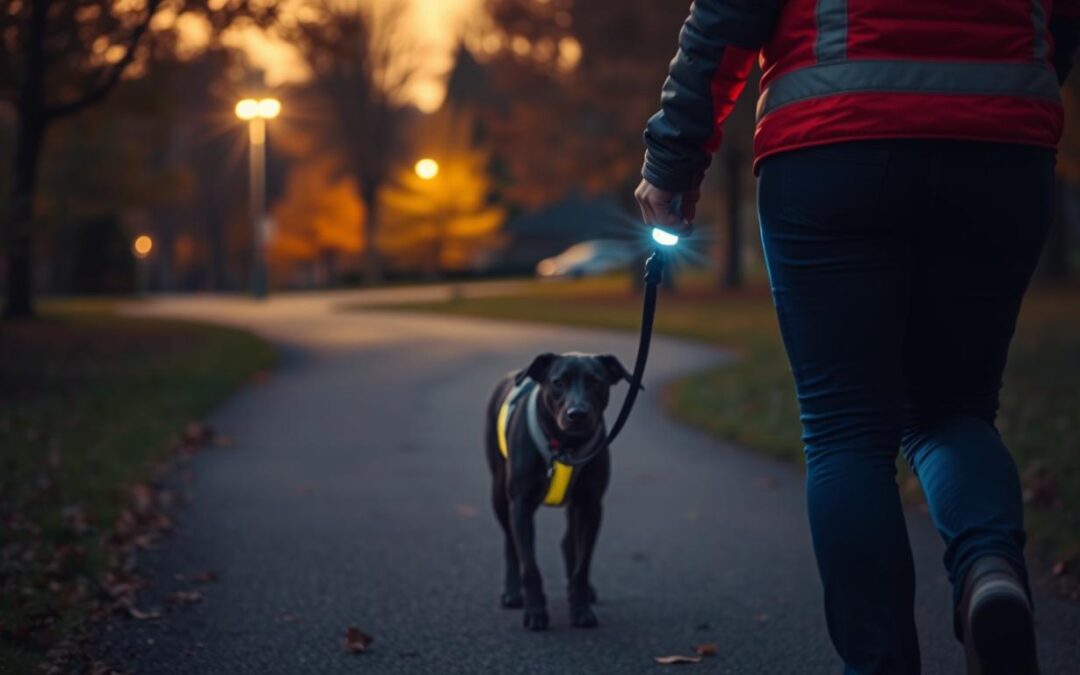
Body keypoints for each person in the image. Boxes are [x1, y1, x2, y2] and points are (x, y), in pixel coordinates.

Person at [636, 2, 1080, 674]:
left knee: (846, 429)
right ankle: (990, 569)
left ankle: (879, 663)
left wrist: (675, 159)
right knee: (955, 408)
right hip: (1001, 145)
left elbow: (729, 15)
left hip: (833, 141)